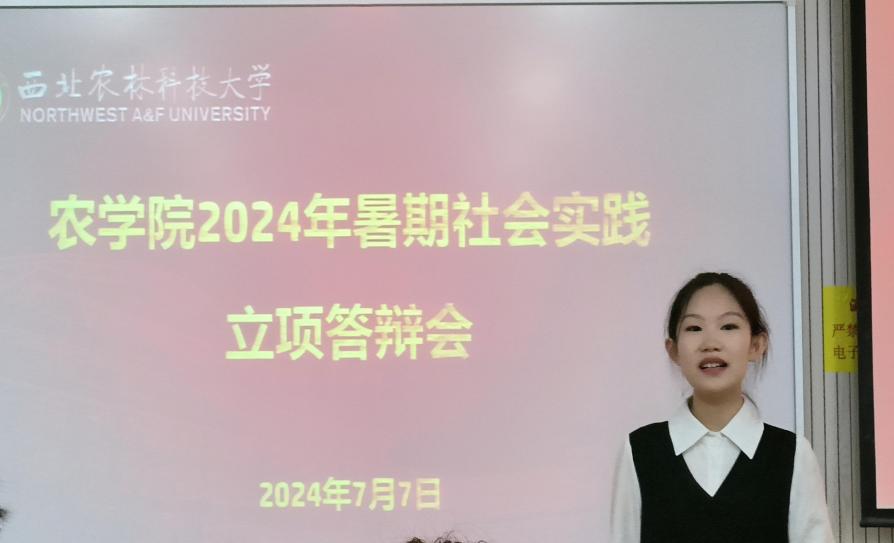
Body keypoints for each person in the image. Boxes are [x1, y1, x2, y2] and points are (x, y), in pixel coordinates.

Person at [610, 272, 834, 543]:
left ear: (756, 345)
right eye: (694, 328)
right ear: (673, 350)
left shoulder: (791, 454)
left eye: (728, 326)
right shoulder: (641, 451)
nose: (711, 343)